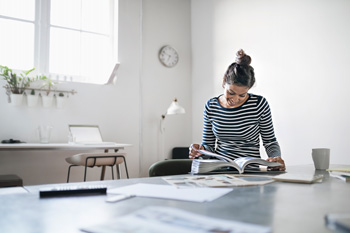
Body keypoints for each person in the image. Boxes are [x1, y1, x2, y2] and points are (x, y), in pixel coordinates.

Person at [189, 49, 285, 171]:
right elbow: (209, 146)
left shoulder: (259, 104)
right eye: (231, 92)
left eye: (242, 95)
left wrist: (275, 158)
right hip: (220, 170)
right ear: (224, 82)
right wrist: (199, 151)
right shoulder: (211, 106)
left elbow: (270, 141)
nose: (235, 99)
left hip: (250, 170)